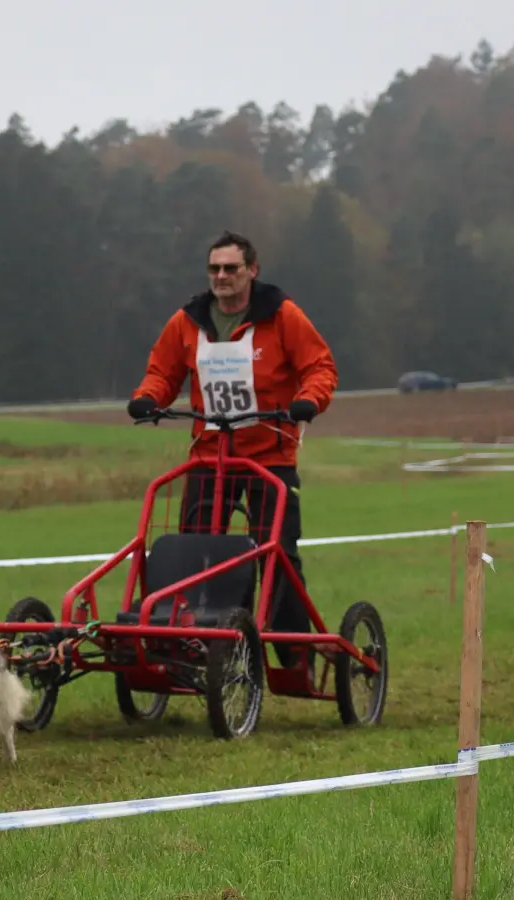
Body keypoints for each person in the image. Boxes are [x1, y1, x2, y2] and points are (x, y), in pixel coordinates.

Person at [126, 230, 338, 671]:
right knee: (195, 550)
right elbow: (161, 373)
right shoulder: (188, 321)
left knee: (277, 554)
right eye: (215, 269)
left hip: (269, 457)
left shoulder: (281, 316)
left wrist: (307, 401)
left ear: (251, 271)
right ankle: (194, 644)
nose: (222, 276)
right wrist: (148, 397)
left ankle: (295, 656)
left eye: (231, 268)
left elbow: (319, 367)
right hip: (209, 454)